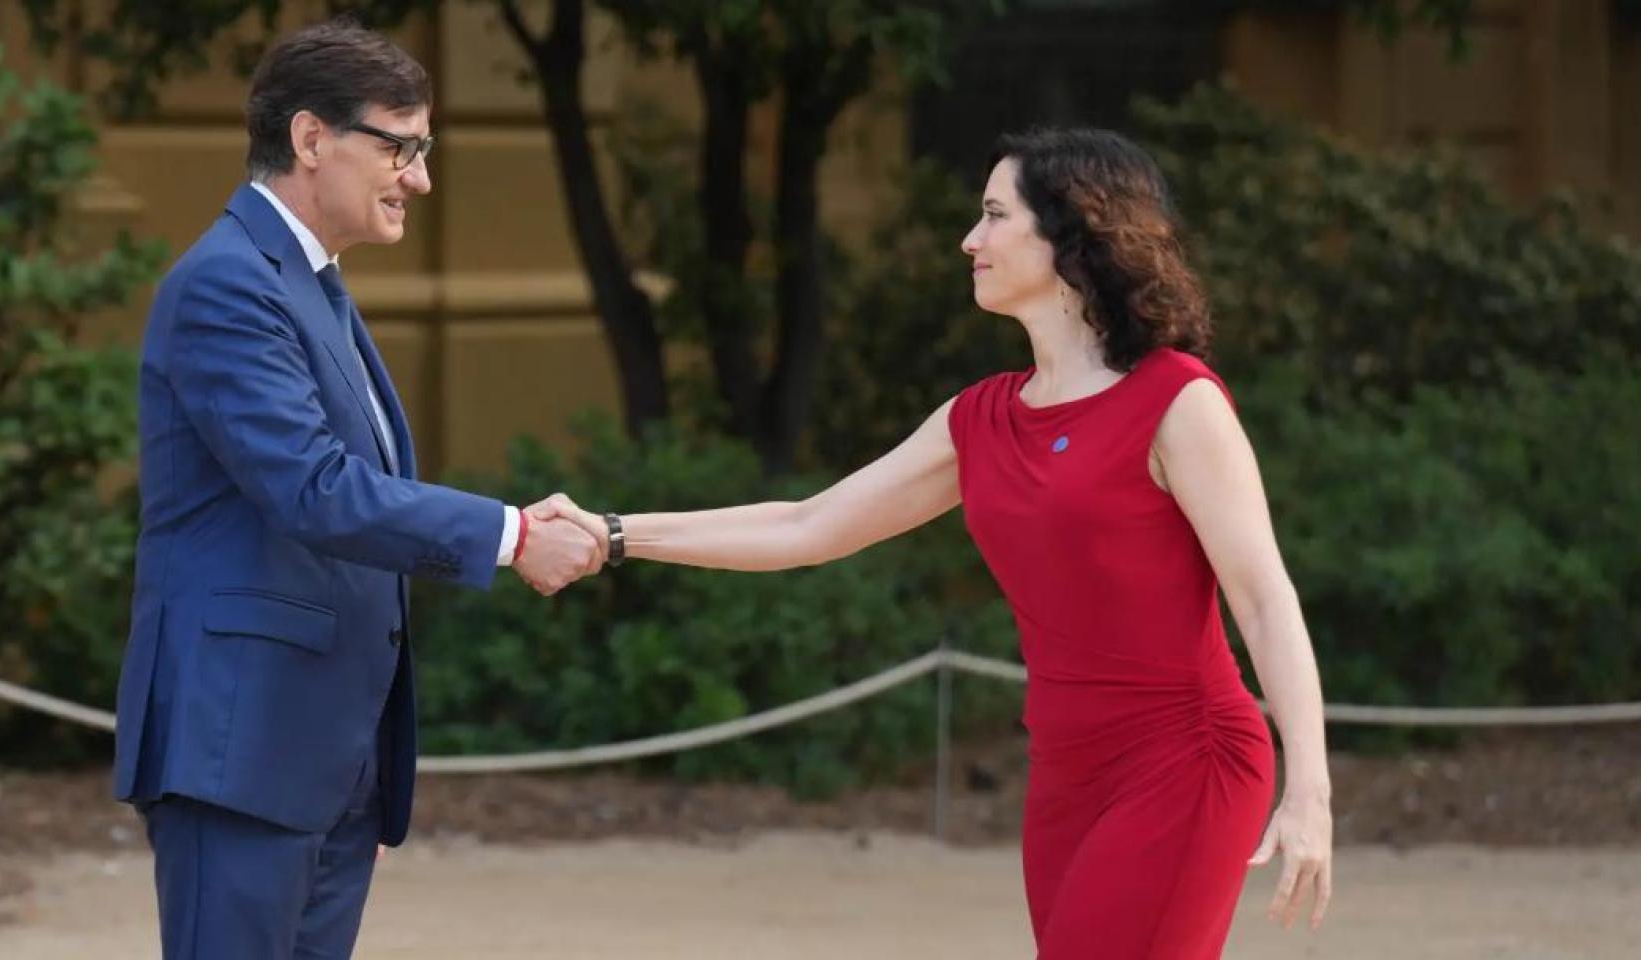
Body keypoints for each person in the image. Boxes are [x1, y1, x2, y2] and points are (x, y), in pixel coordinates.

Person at [542, 127, 1333, 957]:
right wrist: (616, 534)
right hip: (1065, 774)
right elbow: (808, 524)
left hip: (1187, 761)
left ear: (1074, 234)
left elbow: (1263, 596)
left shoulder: (1177, 400)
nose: (971, 239)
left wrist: (1309, 788)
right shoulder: (982, 418)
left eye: (994, 215)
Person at [112, 18, 603, 959]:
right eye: (401, 147)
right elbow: (316, 489)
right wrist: (510, 534)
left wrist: (361, 768)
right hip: (241, 755)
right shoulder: (227, 284)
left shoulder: (309, 282)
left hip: (321, 760)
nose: (419, 177)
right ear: (310, 138)